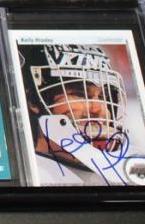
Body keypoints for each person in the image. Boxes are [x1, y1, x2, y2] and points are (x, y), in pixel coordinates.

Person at [19, 41, 131, 184]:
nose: (98, 109)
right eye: (80, 94)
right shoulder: (27, 175)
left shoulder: (126, 172)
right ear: (33, 101)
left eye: (103, 97)